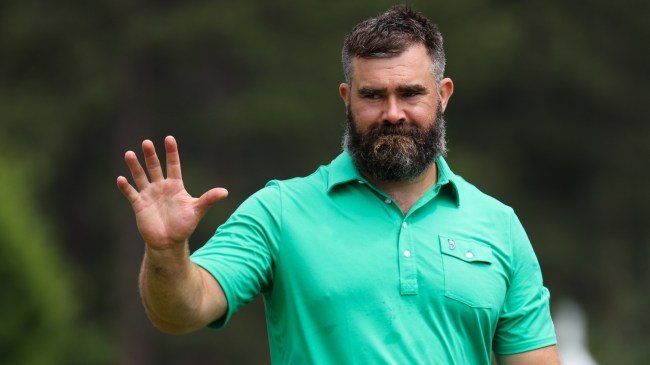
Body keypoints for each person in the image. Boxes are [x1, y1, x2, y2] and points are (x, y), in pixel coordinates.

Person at [117, 5, 560, 364]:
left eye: (410, 93)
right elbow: (181, 311)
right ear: (348, 99)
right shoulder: (280, 212)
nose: (392, 113)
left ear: (442, 94)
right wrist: (167, 251)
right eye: (373, 95)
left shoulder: (499, 226)